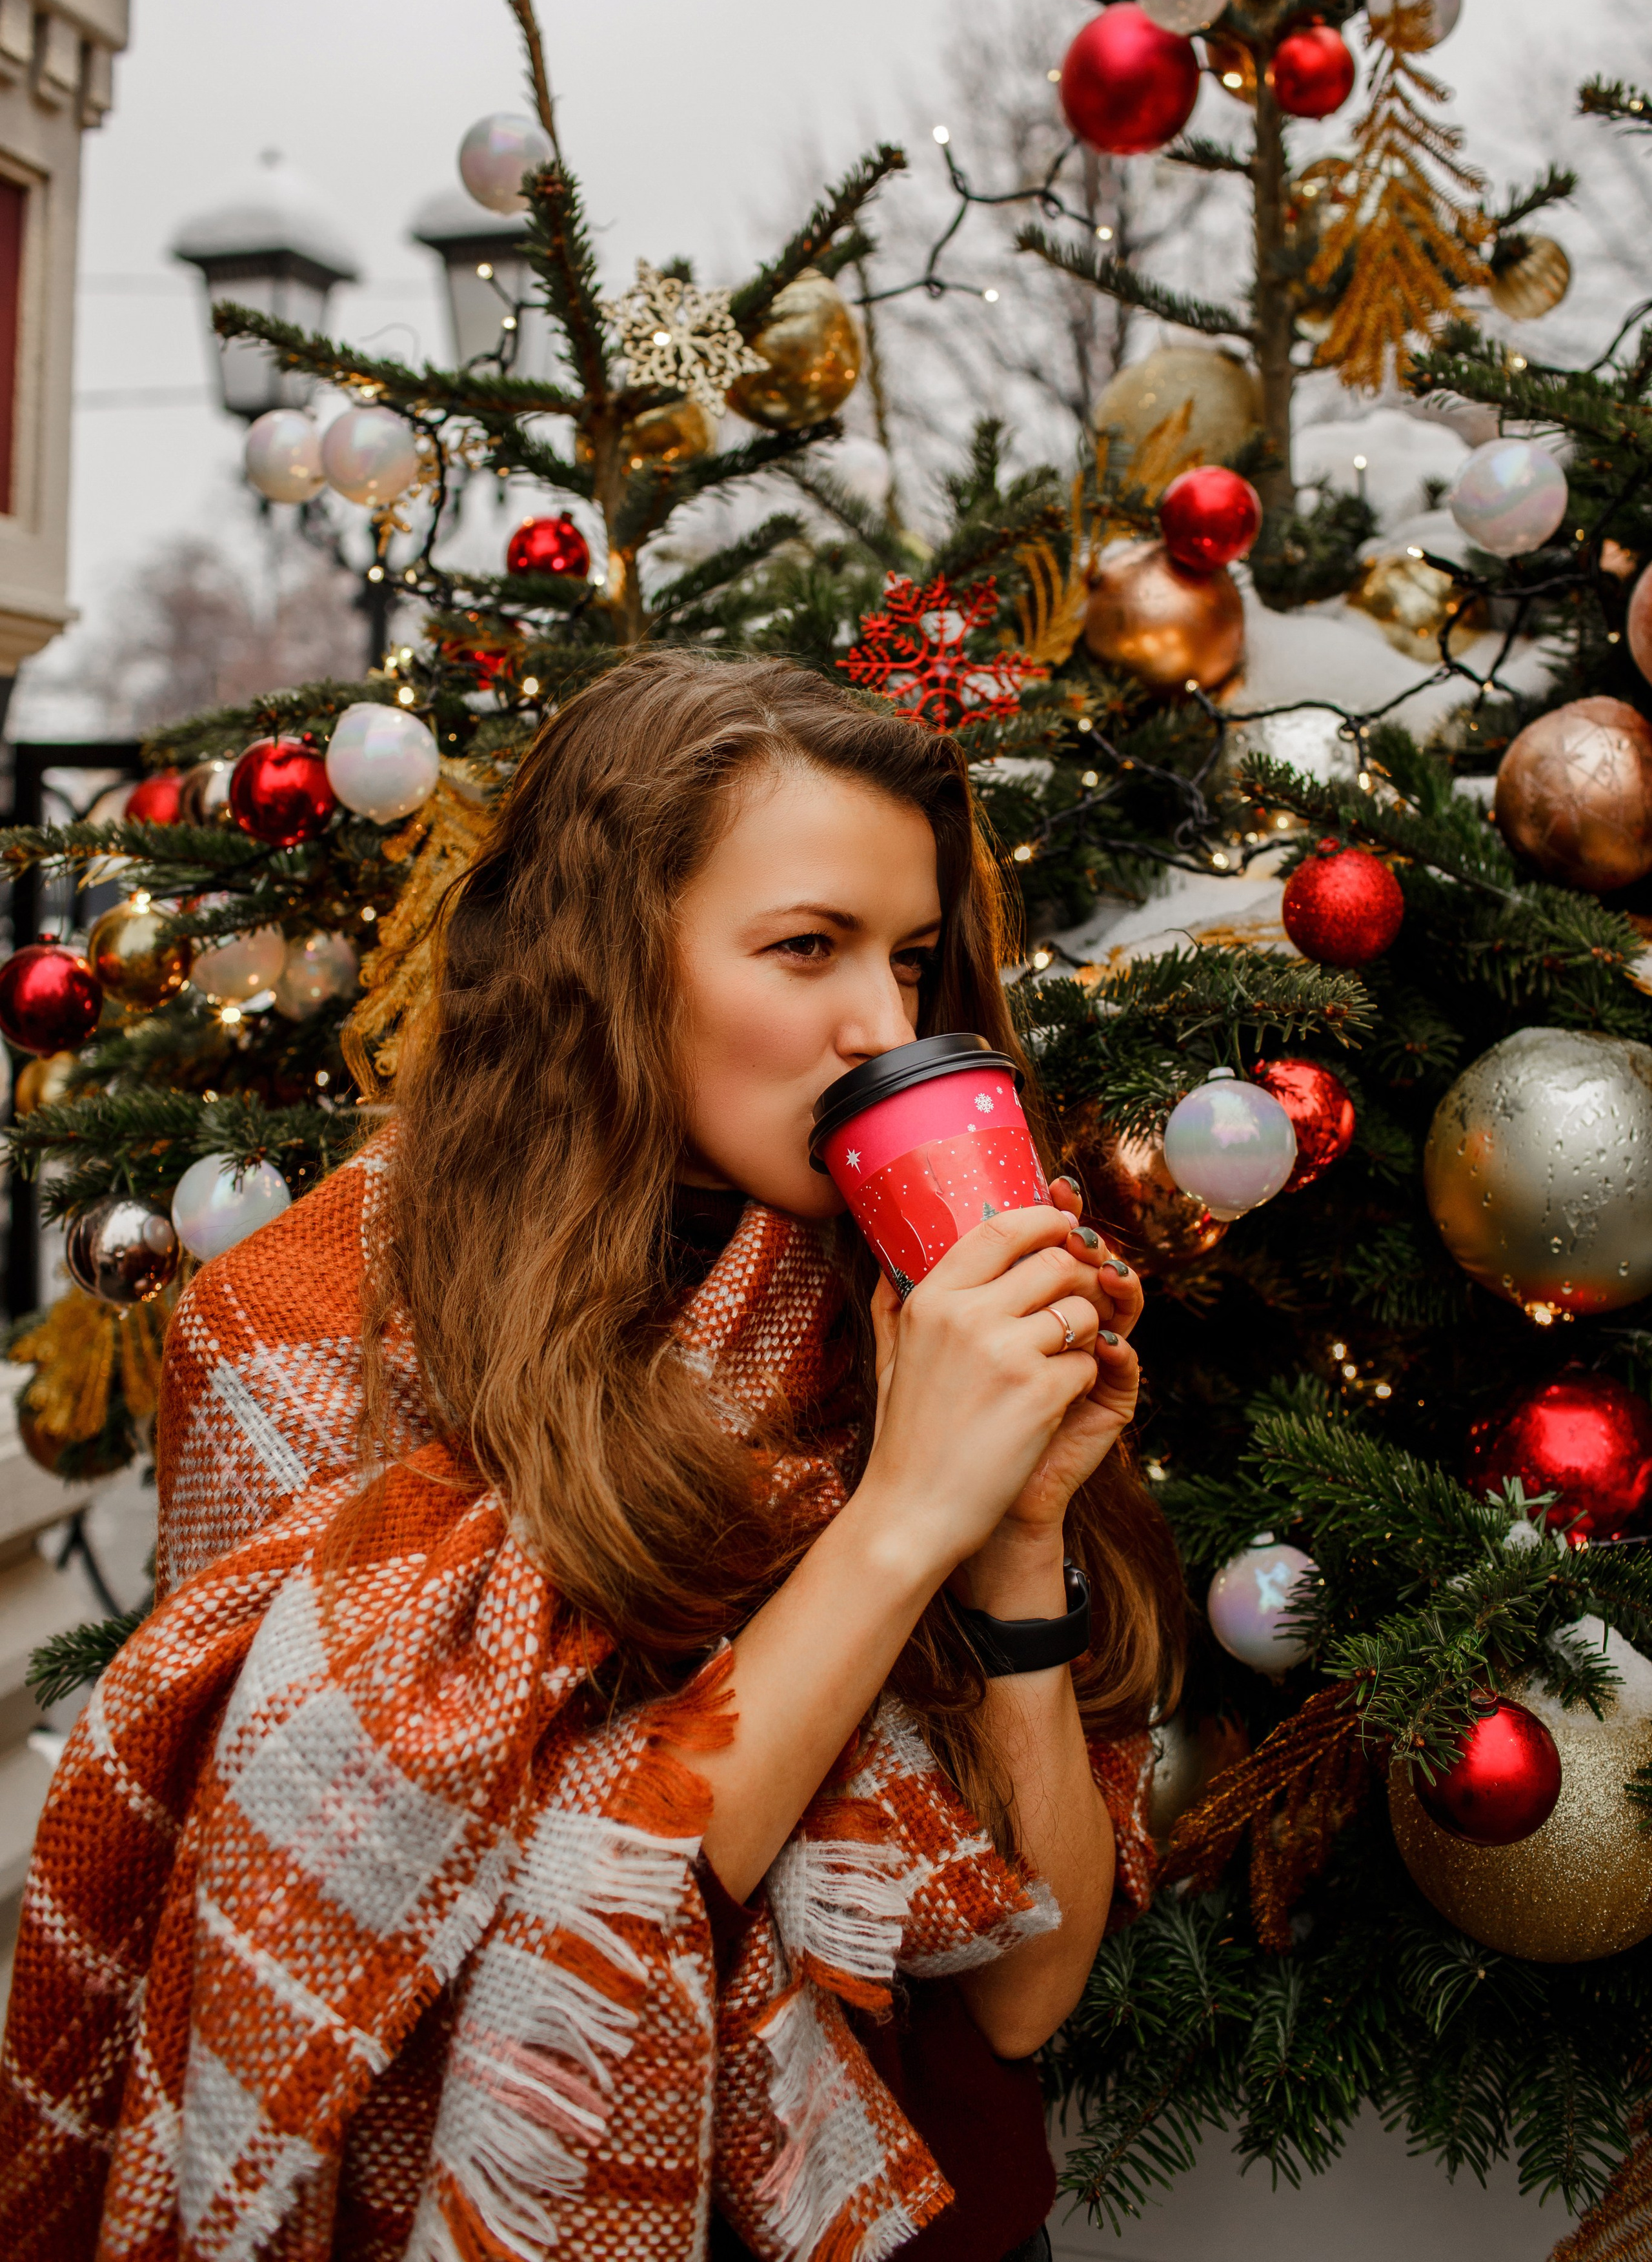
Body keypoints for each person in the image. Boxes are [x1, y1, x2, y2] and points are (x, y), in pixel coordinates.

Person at [0, 652, 1184, 2262]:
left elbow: (1026, 1996)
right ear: (605, 964)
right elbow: (464, 1951)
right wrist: (903, 1513)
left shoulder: (905, 1303)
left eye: (912, 962)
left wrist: (1015, 1522)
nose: (880, 1026)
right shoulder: (309, 1333)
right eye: (805, 948)